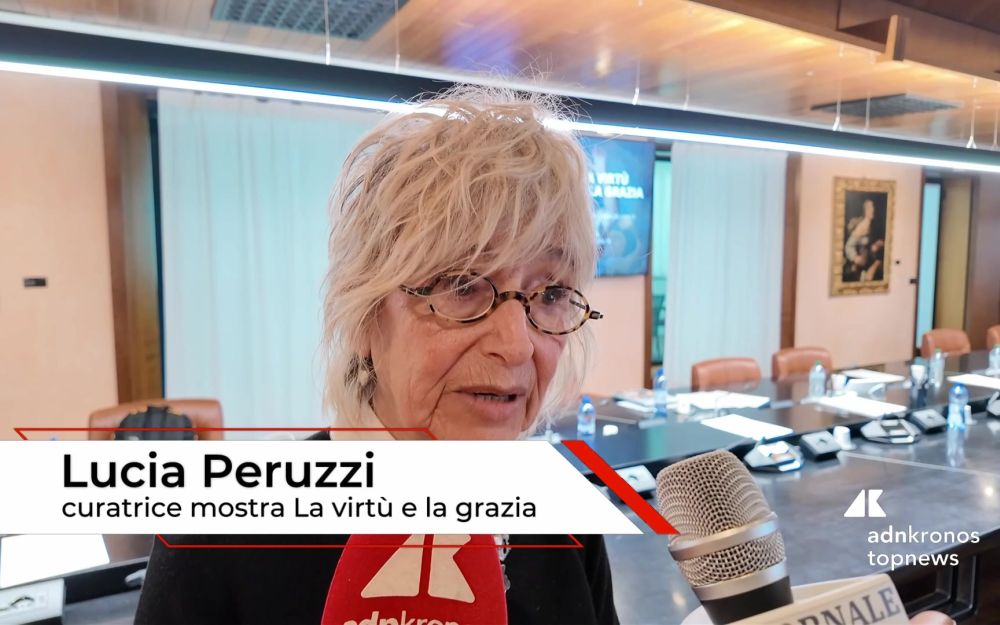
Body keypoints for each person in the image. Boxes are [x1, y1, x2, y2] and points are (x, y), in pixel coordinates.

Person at [134, 87, 955, 625]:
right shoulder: (218, 533)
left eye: (550, 293)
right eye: (461, 285)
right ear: (365, 314)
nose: (517, 341)